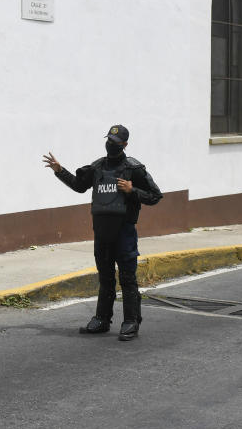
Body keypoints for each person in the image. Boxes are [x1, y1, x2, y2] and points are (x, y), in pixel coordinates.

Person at [43, 125, 161, 341]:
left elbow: (155, 196)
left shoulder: (133, 169)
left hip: (124, 232)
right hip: (102, 232)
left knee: (127, 278)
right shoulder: (98, 167)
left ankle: (131, 322)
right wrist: (60, 170)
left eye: (115, 142)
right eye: (109, 140)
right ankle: (102, 319)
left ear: (124, 145)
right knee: (105, 278)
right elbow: (79, 185)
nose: (110, 145)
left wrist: (132, 190)